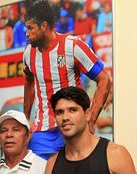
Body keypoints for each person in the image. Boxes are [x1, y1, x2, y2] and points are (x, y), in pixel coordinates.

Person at [23, 0, 111, 160]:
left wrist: (90, 121)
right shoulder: (28, 53)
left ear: (43, 26)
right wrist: (24, 120)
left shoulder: (73, 46)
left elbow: (104, 79)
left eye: (30, 28)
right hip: (42, 132)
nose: (26, 33)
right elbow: (29, 81)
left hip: (73, 128)